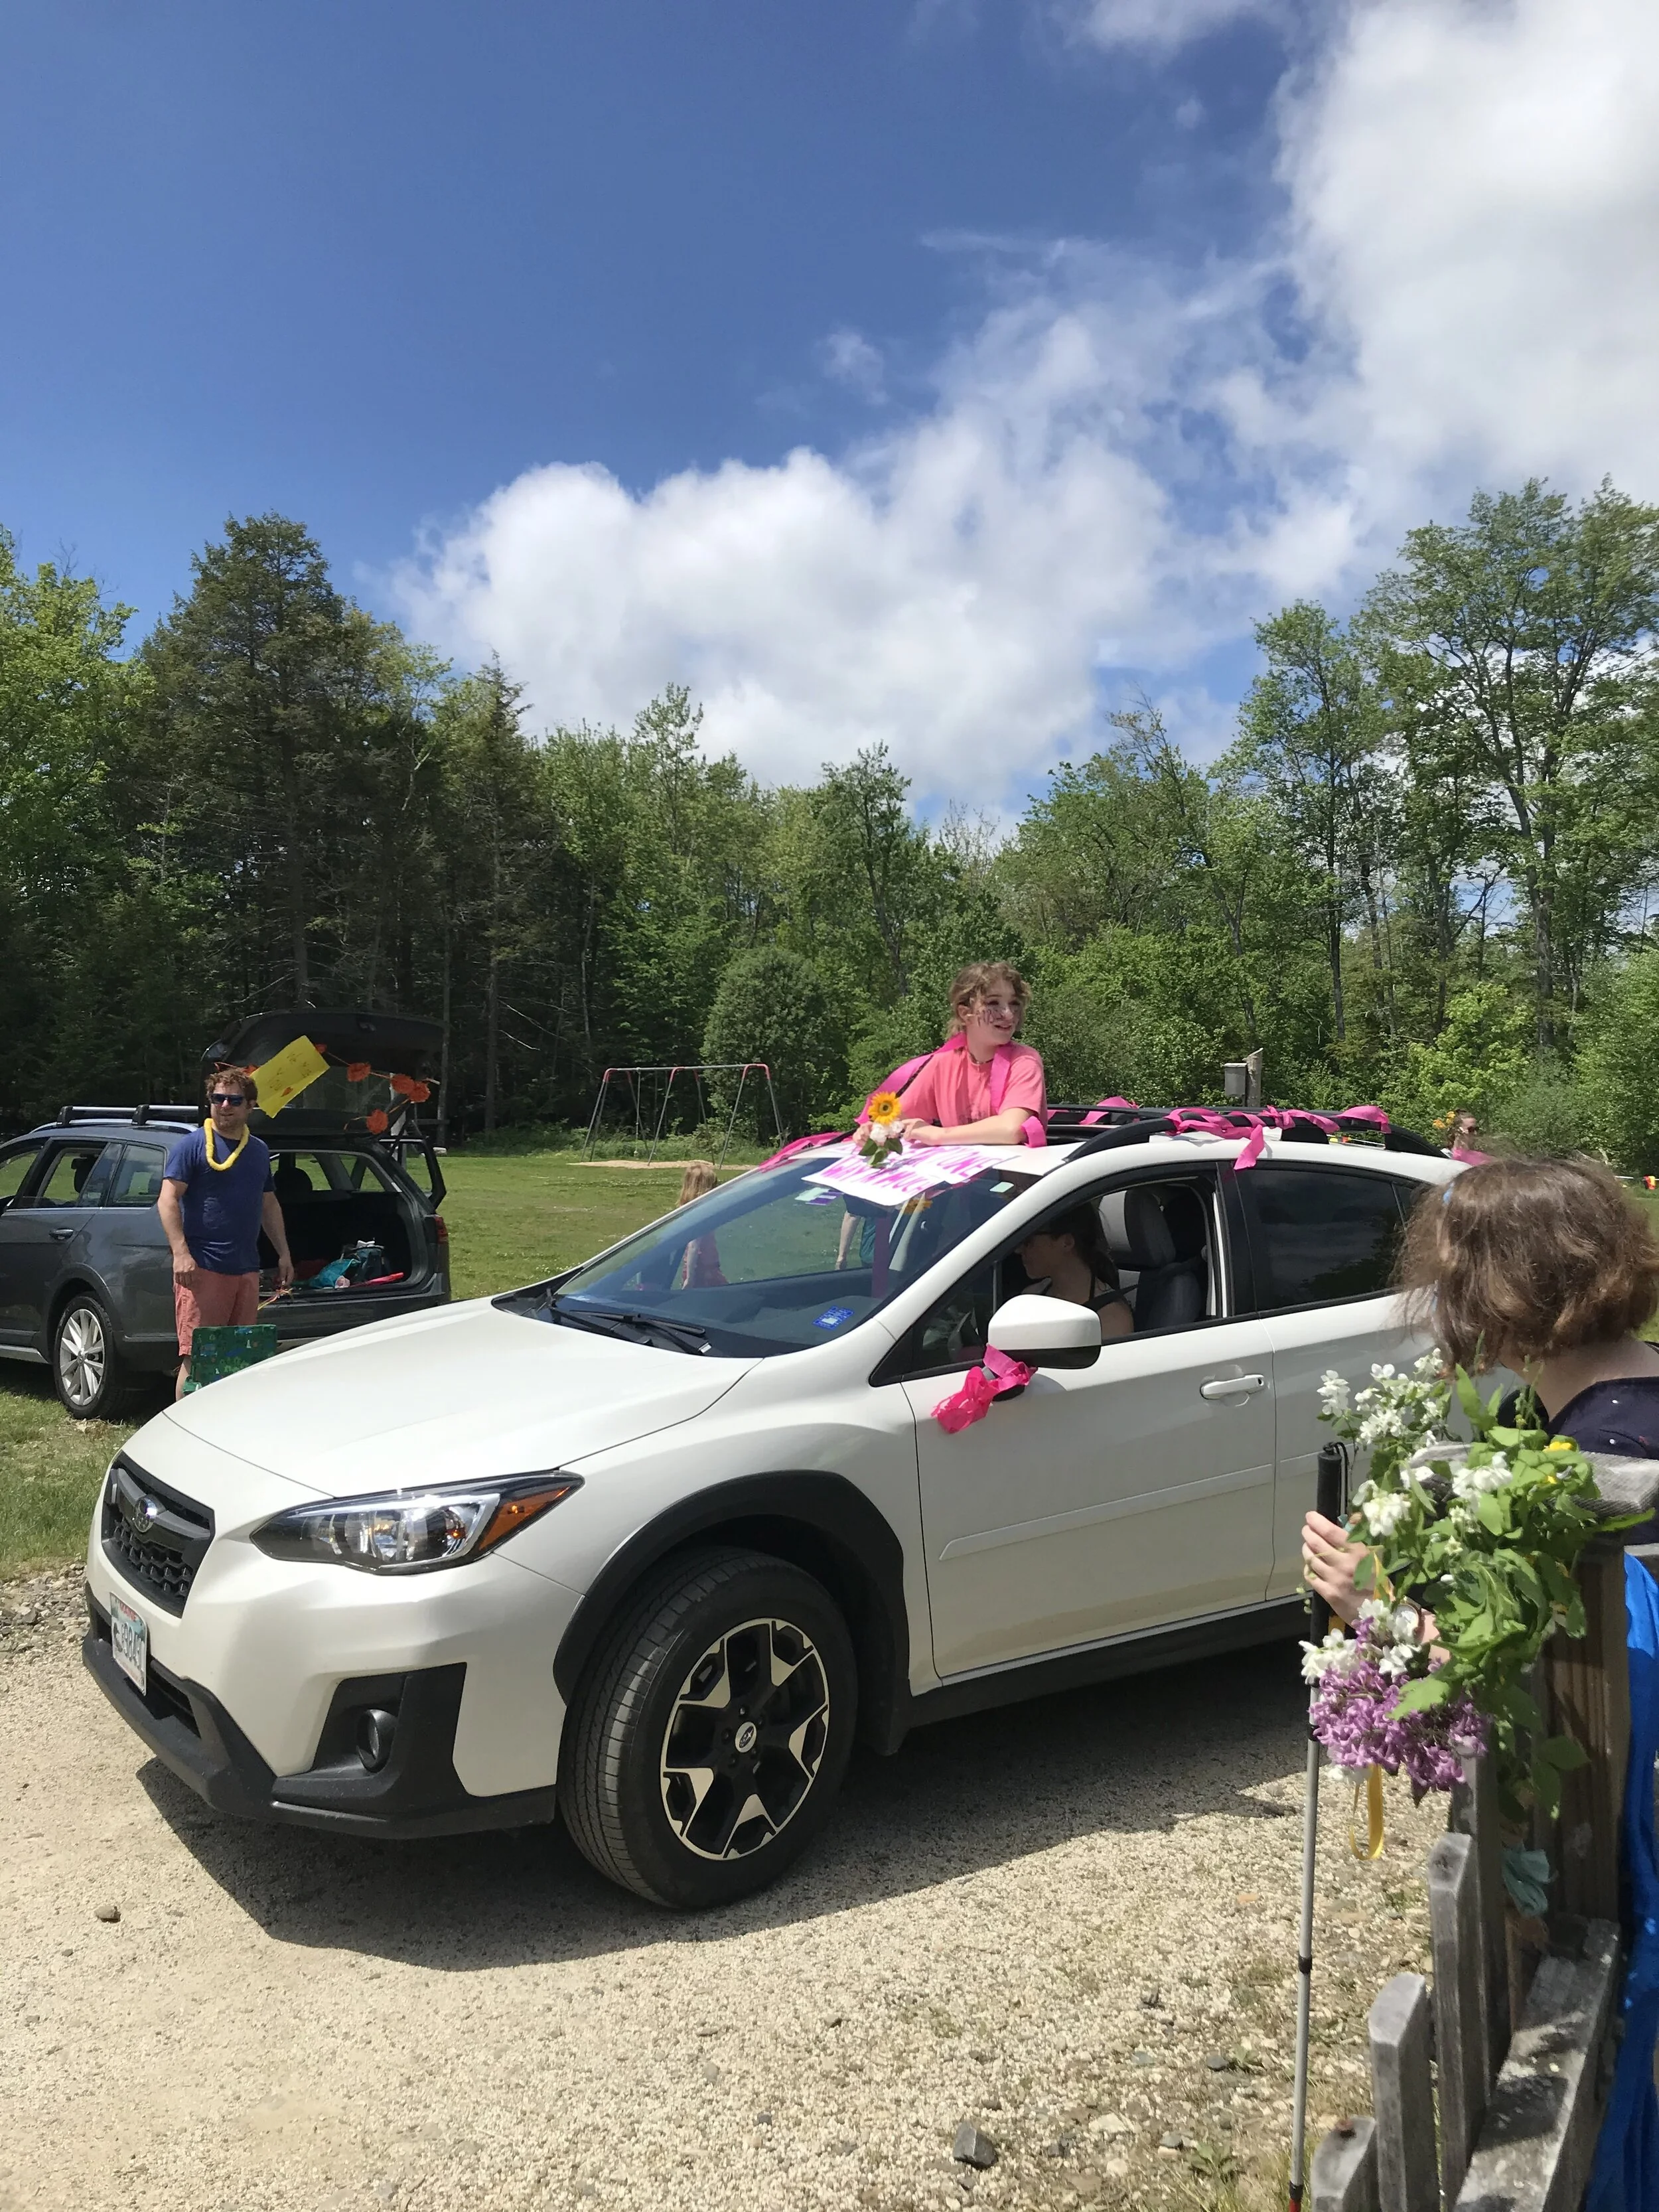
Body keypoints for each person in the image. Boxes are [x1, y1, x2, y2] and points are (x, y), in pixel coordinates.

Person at [1302, 1155, 1659, 1624]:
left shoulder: (1602, 1466)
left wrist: (1377, 1607)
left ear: (1502, 1293)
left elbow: (1570, 1683)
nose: (1437, 1304)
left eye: (1446, 1283)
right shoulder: (1551, 1406)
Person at [159, 1068, 294, 1397]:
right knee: (199, 1358)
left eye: (234, 1100)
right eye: (218, 1099)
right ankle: (184, 1433)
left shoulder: (259, 1151)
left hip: (246, 1269)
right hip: (203, 1269)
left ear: (250, 1106)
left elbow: (268, 1205)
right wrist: (181, 1254)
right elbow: (167, 1200)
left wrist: (284, 1253)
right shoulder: (191, 1146)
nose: (225, 1106)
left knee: (240, 1358)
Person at [888, 962, 1046, 1149]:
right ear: (965, 1013)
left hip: (1015, 1176)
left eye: (1014, 1004)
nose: (1008, 1014)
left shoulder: (1024, 1061)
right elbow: (895, 1118)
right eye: (993, 1003)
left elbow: (1012, 1129)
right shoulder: (942, 1064)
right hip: (962, 1175)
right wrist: (874, 1130)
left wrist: (938, 1134)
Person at [1017, 1203, 1133, 1341]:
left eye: (1028, 1241)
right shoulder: (1031, 1296)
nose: (1018, 1250)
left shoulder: (1111, 1318)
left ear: (1067, 1242)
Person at [673, 1159, 725, 1288]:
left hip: (701, 1268)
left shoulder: (694, 1212)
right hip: (703, 1270)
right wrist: (690, 1279)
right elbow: (694, 1246)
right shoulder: (701, 1213)